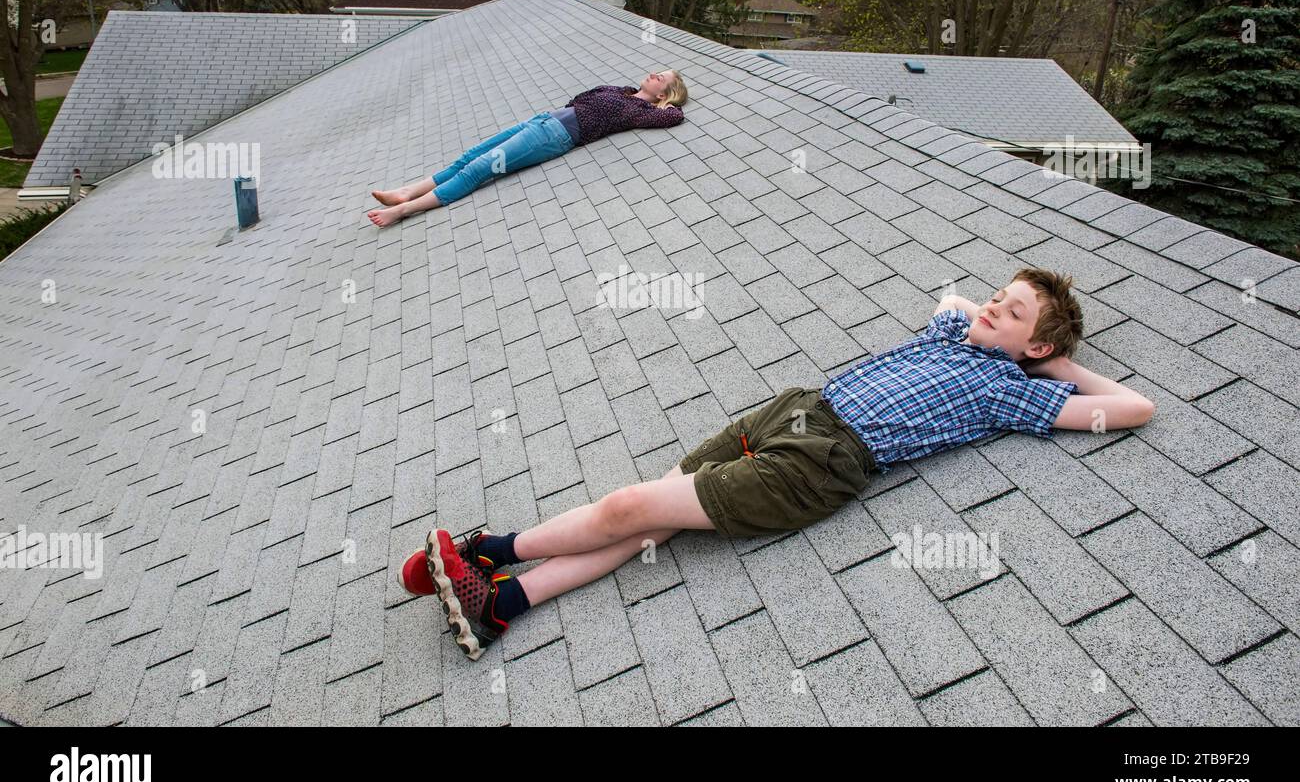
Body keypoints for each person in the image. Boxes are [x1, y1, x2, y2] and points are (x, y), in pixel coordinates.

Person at [399, 267, 1157, 661]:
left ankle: (489, 552)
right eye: (1001, 296)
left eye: (1013, 312)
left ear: (1039, 347)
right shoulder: (953, 337)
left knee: (634, 506)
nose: (991, 307)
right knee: (649, 514)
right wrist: (999, 317)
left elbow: (1132, 409)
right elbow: (955, 298)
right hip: (796, 408)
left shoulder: (1006, 392)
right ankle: (500, 604)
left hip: (826, 460)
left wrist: (1054, 366)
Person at [367, 70, 688, 226]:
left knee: (478, 170)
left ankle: (401, 210)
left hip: (554, 137)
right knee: (470, 156)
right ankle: (406, 191)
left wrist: (667, 105)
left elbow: (675, 117)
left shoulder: (640, 112)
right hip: (542, 121)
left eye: (661, 78)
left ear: (663, 94)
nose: (653, 74)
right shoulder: (624, 91)